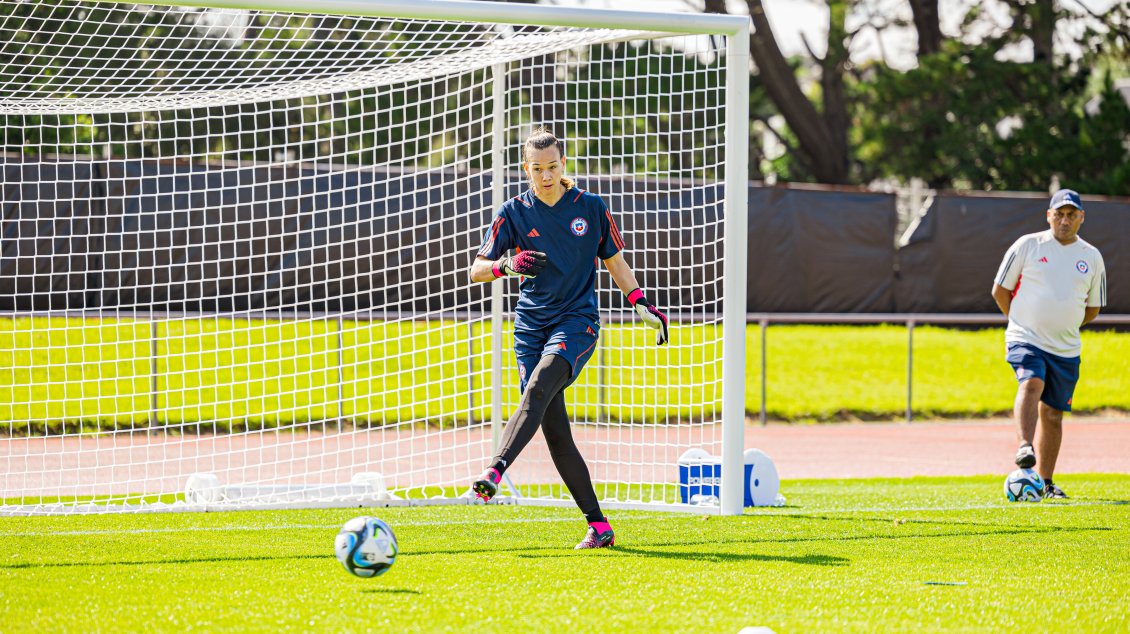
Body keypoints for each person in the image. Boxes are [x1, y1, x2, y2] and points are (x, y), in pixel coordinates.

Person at [468, 127, 668, 549]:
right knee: (555, 432)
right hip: (530, 328)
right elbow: (477, 269)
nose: (545, 176)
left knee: (540, 384)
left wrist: (641, 302)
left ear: (564, 165)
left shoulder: (591, 207)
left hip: (577, 323)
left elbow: (615, 262)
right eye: (537, 169)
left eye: (552, 167)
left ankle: (495, 470)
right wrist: (508, 264)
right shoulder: (512, 212)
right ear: (526, 169)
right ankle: (599, 526)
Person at [991, 188, 1106, 499]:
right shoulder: (1027, 245)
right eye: (1059, 214)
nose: (1064, 220)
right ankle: (1024, 447)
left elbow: (1093, 307)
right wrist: (1020, 321)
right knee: (1031, 382)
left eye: (1071, 214)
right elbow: (1000, 290)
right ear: (1048, 216)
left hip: (1066, 348)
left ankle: (1045, 482)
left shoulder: (1092, 257)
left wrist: (1064, 324)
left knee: (1053, 414)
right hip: (1025, 337)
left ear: (1081, 217)